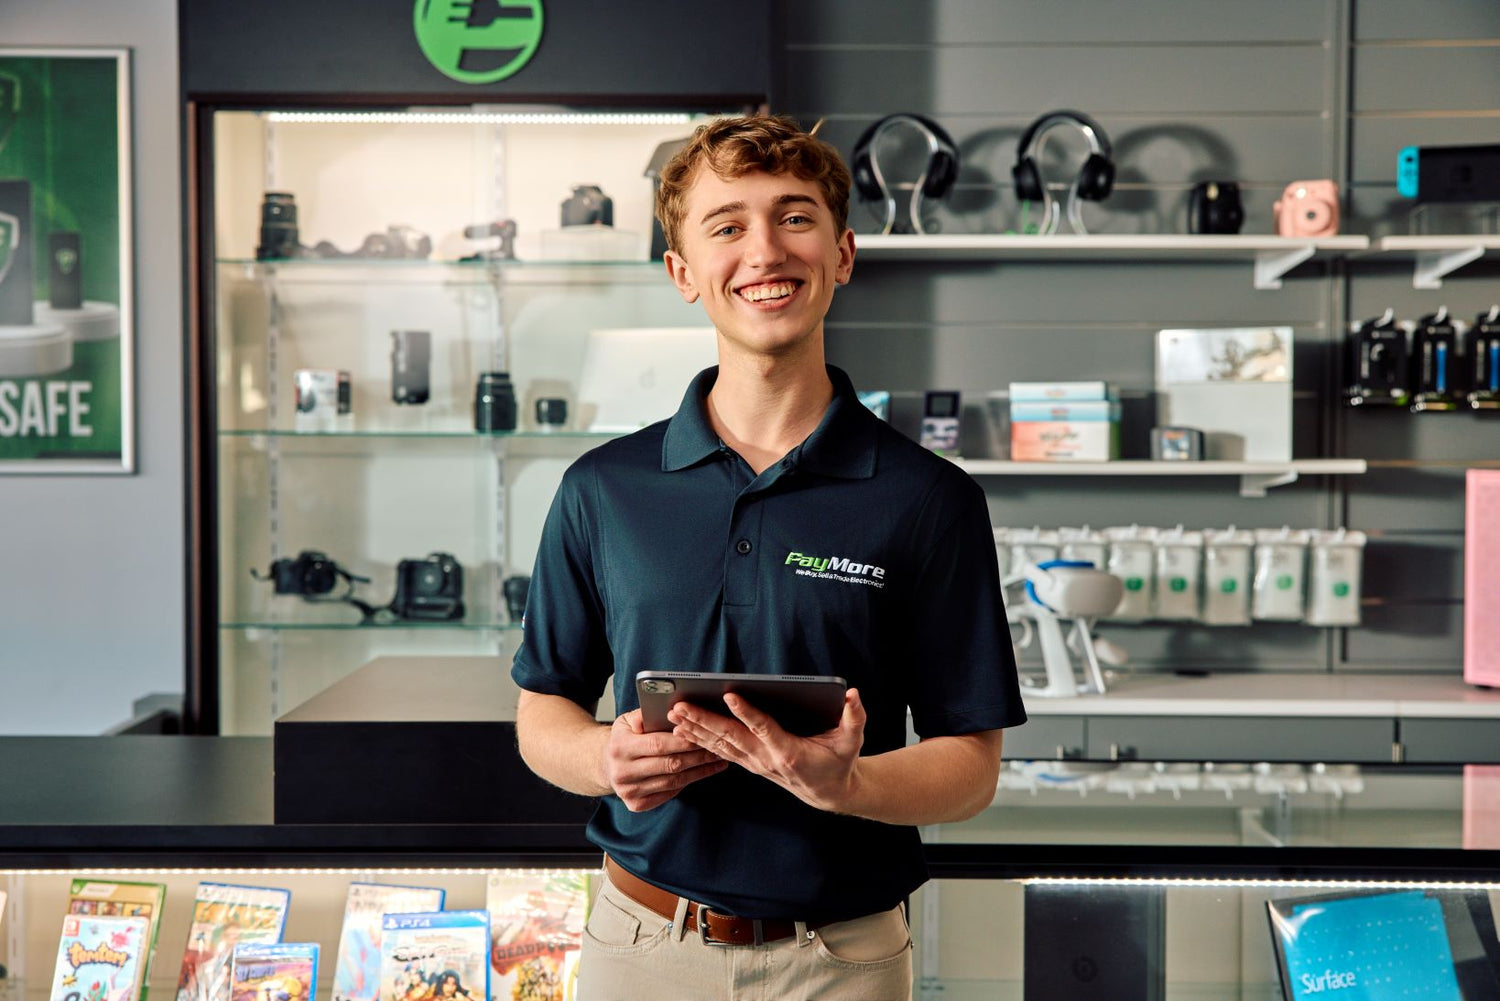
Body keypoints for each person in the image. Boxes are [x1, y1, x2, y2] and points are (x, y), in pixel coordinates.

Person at [511, 114, 1025, 1001]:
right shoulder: (605, 488)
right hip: (640, 943)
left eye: (795, 217)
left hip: (844, 957)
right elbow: (542, 709)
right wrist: (604, 759)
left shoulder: (930, 498)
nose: (764, 250)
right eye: (727, 225)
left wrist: (849, 781)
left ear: (844, 252)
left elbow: (970, 764)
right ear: (682, 274)